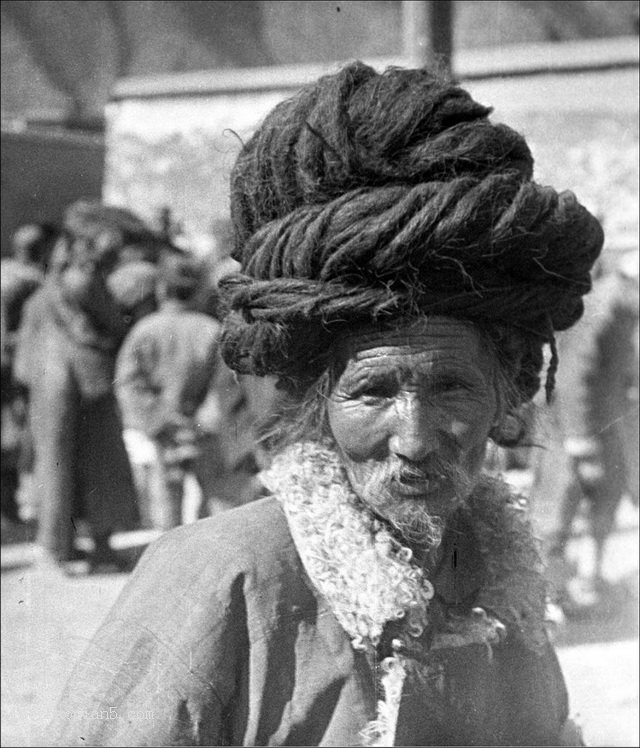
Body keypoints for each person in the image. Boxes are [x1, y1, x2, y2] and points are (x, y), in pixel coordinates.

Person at [51, 62, 603, 745]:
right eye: (372, 391)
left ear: (510, 388)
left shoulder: (501, 579)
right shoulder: (227, 576)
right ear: (318, 402)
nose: (415, 438)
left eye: (452, 387)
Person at [15, 200, 154, 572]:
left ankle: (57, 545)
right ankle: (99, 544)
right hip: (83, 376)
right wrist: (124, 324)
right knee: (100, 460)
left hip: (49, 379)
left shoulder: (47, 289)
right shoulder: (83, 277)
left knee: (55, 460)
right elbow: (107, 317)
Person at [545, 247, 639, 612]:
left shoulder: (625, 306)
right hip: (576, 430)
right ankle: (547, 597)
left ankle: (588, 582)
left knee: (604, 503)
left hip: (610, 426)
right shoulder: (605, 306)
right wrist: (580, 441)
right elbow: (573, 377)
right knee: (560, 511)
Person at [115, 254, 224, 529]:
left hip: (162, 432)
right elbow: (223, 386)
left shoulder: (144, 330)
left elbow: (128, 383)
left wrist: (159, 418)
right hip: (202, 430)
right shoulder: (211, 330)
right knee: (214, 501)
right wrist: (200, 420)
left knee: (166, 502)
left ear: (161, 290)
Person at [1, 223, 58, 528]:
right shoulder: (32, 282)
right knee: (19, 437)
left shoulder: (3, 271)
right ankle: (15, 504)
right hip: (13, 368)